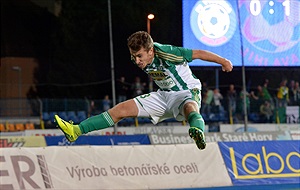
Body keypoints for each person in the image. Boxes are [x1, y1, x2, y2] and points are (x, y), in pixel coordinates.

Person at [54, 31, 233, 150]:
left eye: (139, 56)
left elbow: (198, 53)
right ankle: (76, 131)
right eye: (134, 56)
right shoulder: (138, 58)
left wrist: (224, 61)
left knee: (189, 108)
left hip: (187, 91)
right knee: (120, 110)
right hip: (163, 95)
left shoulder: (168, 52)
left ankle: (197, 131)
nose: (137, 61)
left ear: (151, 50)